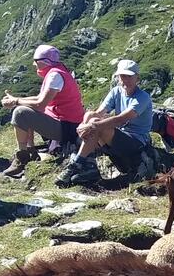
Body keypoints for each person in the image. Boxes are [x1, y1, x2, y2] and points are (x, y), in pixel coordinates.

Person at [57, 59, 153, 190]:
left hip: (137, 140)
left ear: (137, 78)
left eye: (129, 76)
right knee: (92, 117)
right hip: (120, 136)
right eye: (122, 76)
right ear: (118, 77)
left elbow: (121, 119)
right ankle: (88, 165)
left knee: (96, 125)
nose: (125, 80)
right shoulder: (116, 91)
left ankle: (77, 164)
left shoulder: (142, 97)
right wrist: (86, 122)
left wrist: (91, 126)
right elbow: (98, 112)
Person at [0, 44, 83, 178]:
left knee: (20, 113)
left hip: (66, 127)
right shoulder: (58, 72)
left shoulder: (54, 76)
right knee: (26, 109)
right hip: (68, 122)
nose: (34, 64)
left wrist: (16, 102)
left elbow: (40, 104)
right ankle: (30, 150)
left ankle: (22, 158)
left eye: (36, 61)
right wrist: (17, 98)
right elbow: (40, 99)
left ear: (44, 62)